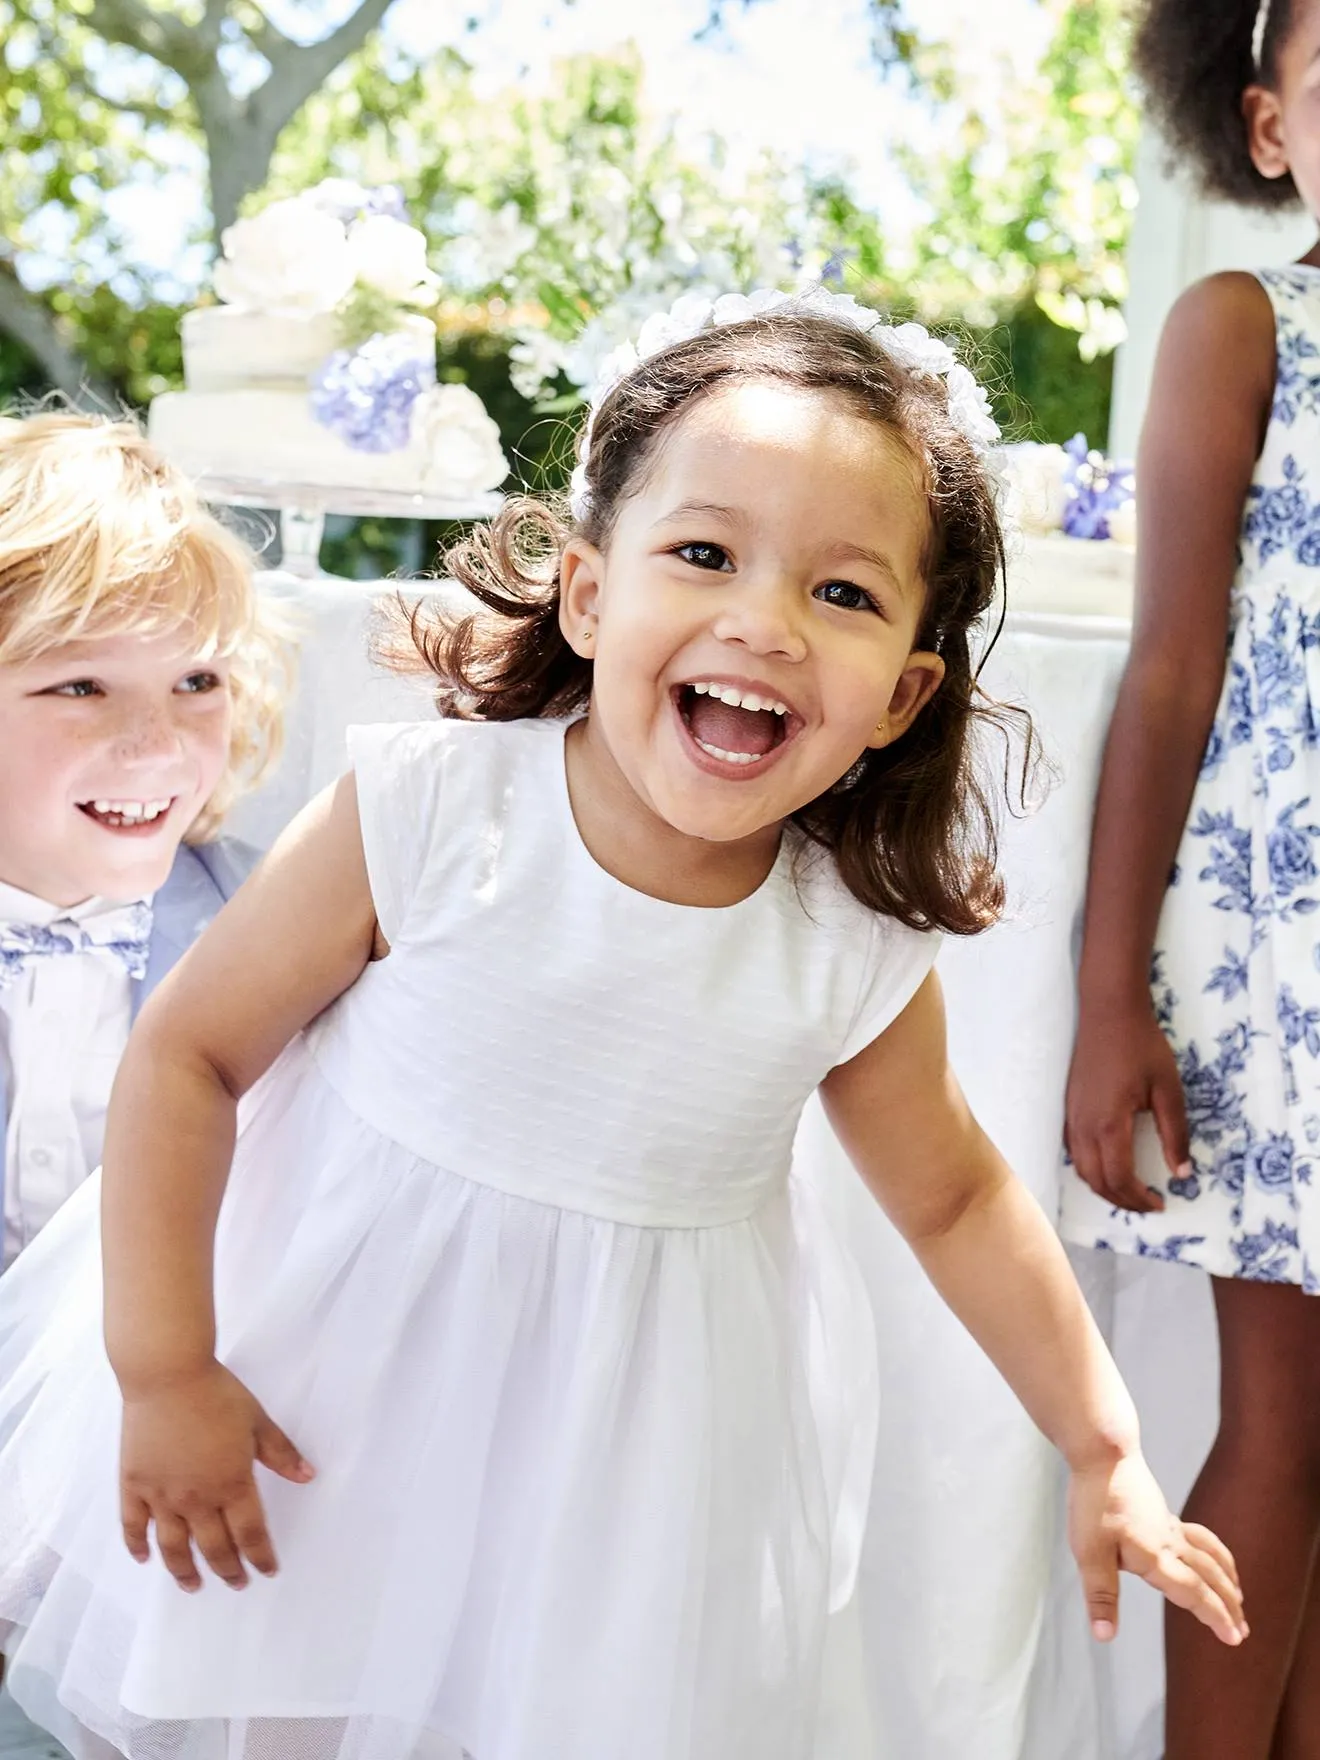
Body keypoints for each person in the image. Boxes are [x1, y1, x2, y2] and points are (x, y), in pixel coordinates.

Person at [0, 296, 1244, 1760]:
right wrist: (165, 1366)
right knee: (282, 1692)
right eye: (704, 554)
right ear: (589, 596)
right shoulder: (432, 810)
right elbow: (190, 1058)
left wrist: (1103, 1446)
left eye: (843, 594)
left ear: (906, 694)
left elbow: (963, 1198)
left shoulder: (844, 943)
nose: (764, 622)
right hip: (313, 1392)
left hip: (613, 1484)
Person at [1061, 3, 1320, 1756]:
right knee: (1285, 1420)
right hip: (1281, 945)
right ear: (1271, 121)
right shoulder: (1250, 326)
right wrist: (1106, 994)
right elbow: (1167, 667)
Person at [0, 411, 287, 1743]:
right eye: (78, 686)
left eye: (198, 684)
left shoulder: (271, 933)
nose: (157, 742)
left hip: (134, 1533)